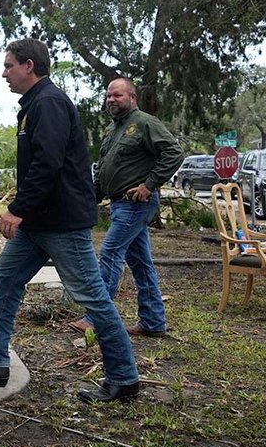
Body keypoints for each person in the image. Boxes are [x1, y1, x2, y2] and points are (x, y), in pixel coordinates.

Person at [0, 38, 140, 403]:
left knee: (93, 298)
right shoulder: (33, 105)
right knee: (5, 281)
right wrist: (25, 212)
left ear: (29, 66)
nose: (4, 73)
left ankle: (124, 378)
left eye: (8, 66)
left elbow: (47, 164)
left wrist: (17, 208)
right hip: (37, 225)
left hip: (62, 223)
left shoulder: (49, 103)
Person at [69, 78, 184, 336]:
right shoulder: (113, 130)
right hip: (119, 204)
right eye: (109, 96)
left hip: (136, 203)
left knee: (109, 253)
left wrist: (148, 185)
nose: (111, 100)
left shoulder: (145, 123)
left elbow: (174, 154)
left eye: (117, 96)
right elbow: (104, 168)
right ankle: (153, 321)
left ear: (132, 98)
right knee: (141, 263)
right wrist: (91, 197)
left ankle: (96, 317)